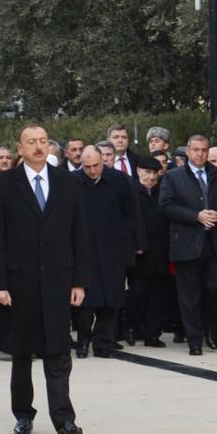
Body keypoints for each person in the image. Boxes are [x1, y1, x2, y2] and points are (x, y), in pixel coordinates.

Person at [0, 124, 87, 434]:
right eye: (32, 142)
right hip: (19, 283)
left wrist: (79, 282)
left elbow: (79, 234)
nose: (39, 147)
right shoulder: (2, 185)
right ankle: (23, 414)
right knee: (21, 353)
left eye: (43, 141)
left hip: (58, 280)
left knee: (58, 353)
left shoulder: (67, 182)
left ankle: (64, 420)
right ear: (20, 147)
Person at [159, 134, 217, 355]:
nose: (200, 154)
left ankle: (214, 332)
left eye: (204, 150)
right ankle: (194, 339)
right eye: (196, 150)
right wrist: (196, 216)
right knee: (189, 295)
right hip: (187, 244)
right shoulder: (174, 177)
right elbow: (165, 206)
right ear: (188, 152)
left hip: (216, 244)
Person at [74, 142, 140, 358]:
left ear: (103, 161)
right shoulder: (72, 182)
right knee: (85, 305)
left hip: (112, 252)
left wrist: (129, 245)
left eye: (96, 165)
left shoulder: (120, 181)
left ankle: (104, 344)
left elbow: (131, 215)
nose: (92, 170)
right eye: (87, 167)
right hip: (83, 252)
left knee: (111, 303)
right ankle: (83, 340)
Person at [129, 156, 174, 346]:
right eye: (147, 172)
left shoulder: (163, 192)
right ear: (138, 171)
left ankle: (152, 334)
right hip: (139, 254)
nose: (151, 177)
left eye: (155, 172)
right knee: (138, 293)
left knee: (159, 295)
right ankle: (132, 328)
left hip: (161, 252)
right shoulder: (130, 192)